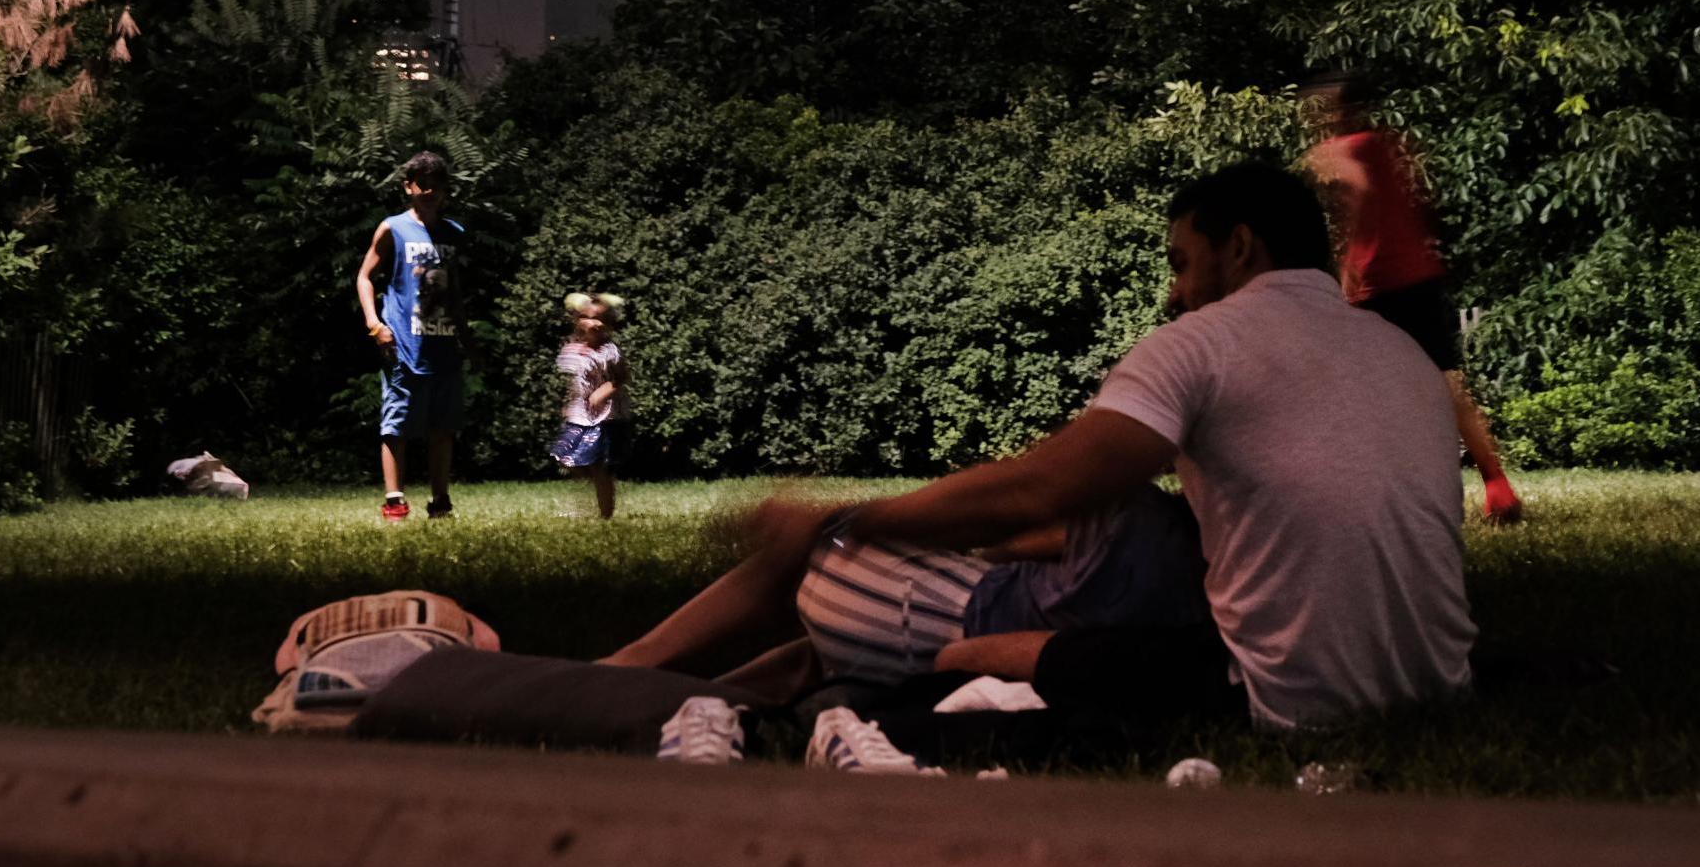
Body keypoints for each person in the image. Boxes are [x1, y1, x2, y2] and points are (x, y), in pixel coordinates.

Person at [608, 163, 1477, 733]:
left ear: (1238, 247)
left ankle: (621, 680)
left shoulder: (1207, 344)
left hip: (1280, 697)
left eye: (1182, 262)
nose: (1175, 295)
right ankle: (679, 685)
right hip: (1436, 686)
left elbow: (1038, 488)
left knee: (839, 569)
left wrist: (841, 517)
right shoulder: (1397, 349)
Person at [1300, 70, 1524, 523]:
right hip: (1419, 277)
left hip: (1377, 285)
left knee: (1348, 388)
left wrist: (1350, 267)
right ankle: (1498, 486)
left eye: (1318, 107)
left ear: (1333, 110)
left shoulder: (1336, 152)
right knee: (1446, 386)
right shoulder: (1386, 143)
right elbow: (1417, 202)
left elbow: (1359, 196)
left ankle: (1363, 492)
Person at [355, 149, 470, 522]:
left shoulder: (454, 233)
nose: (430, 192)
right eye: (423, 184)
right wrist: (375, 324)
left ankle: (440, 501)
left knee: (443, 428)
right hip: (404, 344)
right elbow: (364, 277)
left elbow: (456, 292)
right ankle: (394, 500)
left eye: (437, 186)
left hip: (444, 344)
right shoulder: (393, 228)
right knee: (397, 425)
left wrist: (466, 336)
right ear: (409, 186)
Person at [550, 291, 633, 520]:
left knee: (600, 468)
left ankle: (605, 514)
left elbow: (621, 377)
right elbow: (573, 383)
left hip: (606, 418)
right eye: (588, 317)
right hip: (581, 416)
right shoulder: (572, 350)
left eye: (602, 320)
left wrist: (601, 392)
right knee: (563, 457)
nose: (595, 323)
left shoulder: (609, 351)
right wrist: (569, 404)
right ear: (578, 321)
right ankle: (595, 480)